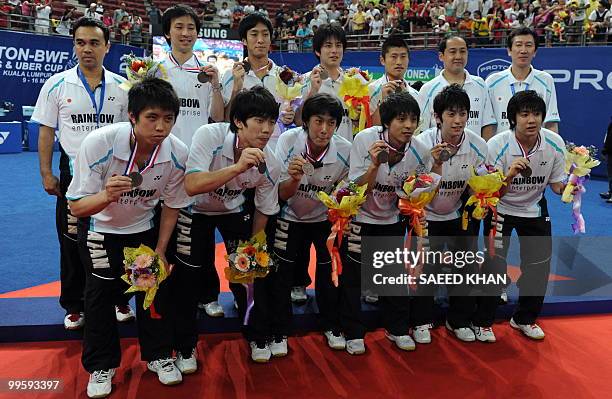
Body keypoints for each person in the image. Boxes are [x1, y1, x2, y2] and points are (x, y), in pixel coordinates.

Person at [67, 78, 191, 398]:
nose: (161, 127)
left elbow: (172, 206)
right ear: (132, 117)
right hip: (100, 230)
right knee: (100, 297)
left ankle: (159, 355)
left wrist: (162, 249)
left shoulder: (177, 152)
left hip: (142, 231)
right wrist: (107, 196)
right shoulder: (99, 144)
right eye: (152, 117)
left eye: (168, 118)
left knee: (151, 292)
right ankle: (101, 366)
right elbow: (77, 207)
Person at [31, 17, 134, 332]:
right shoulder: (57, 84)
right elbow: (47, 133)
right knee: (71, 239)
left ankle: (119, 299)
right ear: (74, 45)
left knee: (117, 238)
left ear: (107, 47)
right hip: (73, 172)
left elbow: (133, 132)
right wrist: (47, 174)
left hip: (113, 174)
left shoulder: (122, 86)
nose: (86, 49)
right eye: (80, 42)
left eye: (94, 42)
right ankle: (75, 306)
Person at [172, 86, 281, 364]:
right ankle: (185, 345)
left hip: (233, 210)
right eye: (259, 121)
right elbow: (192, 184)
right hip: (193, 209)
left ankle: (258, 334)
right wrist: (237, 168)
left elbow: (263, 211)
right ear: (238, 122)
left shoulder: (272, 162)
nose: (267, 130)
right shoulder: (210, 135)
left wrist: (253, 248)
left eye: (271, 122)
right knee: (187, 278)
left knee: (251, 270)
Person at [343, 92, 441, 355]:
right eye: (401, 119)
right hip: (360, 216)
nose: (408, 125)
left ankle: (396, 328)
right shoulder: (365, 140)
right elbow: (355, 188)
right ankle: (353, 331)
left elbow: (422, 188)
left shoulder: (420, 151)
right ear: (386, 122)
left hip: (393, 218)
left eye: (413, 119)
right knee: (352, 279)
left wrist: (416, 193)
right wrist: (375, 166)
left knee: (394, 276)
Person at [483, 90, 568, 340]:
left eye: (537, 114)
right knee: (493, 264)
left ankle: (525, 318)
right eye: (524, 114)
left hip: (534, 208)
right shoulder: (497, 145)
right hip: (500, 208)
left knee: (538, 266)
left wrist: (572, 186)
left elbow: (556, 185)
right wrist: (509, 176)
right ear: (512, 118)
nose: (531, 120)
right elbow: (491, 192)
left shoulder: (554, 143)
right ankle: (484, 321)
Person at [414, 84, 492, 343]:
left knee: (465, 265)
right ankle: (422, 320)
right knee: (427, 268)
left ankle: (458, 319)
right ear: (438, 117)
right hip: (425, 215)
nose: (458, 120)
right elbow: (415, 191)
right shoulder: (422, 144)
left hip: (459, 213)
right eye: (451, 114)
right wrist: (435, 164)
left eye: (463, 114)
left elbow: (478, 184)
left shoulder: (479, 145)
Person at [273, 93, 351, 352]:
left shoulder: (345, 151)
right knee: (281, 274)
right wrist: (294, 178)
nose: (324, 129)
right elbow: (281, 194)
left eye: (331, 123)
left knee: (330, 273)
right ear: (305, 121)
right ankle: (279, 331)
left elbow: (344, 191)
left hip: (323, 218)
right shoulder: (287, 141)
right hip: (289, 215)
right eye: (318, 121)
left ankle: (332, 324)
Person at [221, 12, 295, 152]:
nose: (260, 40)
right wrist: (237, 88)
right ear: (244, 40)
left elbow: (295, 118)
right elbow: (226, 120)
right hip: (241, 153)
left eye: (265, 35)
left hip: (277, 153)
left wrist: (290, 116)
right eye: (254, 34)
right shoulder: (231, 75)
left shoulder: (285, 76)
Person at [159, 5, 224, 149]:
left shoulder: (208, 72)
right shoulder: (155, 70)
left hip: (197, 150)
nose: (185, 33)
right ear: (167, 32)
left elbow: (218, 117)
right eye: (179, 27)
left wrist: (215, 85)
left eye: (190, 28)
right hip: (161, 150)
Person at [485, 27, 560, 138]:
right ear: (509, 50)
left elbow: (551, 123)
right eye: (519, 45)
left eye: (528, 45)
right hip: (501, 150)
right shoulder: (492, 82)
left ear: (535, 51)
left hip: (536, 150)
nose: (523, 50)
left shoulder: (546, 80)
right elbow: (488, 124)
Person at [418, 36, 496, 138]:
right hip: (440, 152)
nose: (458, 56)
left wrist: (483, 152)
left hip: (474, 153)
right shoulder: (428, 89)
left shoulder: (480, 84)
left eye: (463, 51)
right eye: (453, 52)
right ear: (441, 56)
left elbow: (487, 124)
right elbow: (422, 130)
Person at [298, 23, 353, 142]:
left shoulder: (354, 82)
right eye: (328, 46)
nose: (334, 51)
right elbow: (298, 121)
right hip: (315, 154)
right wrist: (313, 91)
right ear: (318, 51)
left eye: (338, 45)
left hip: (347, 155)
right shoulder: (304, 81)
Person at [369, 35, 420, 143]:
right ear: (382, 60)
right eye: (394, 56)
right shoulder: (371, 90)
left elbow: (417, 131)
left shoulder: (415, 95)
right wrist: (384, 102)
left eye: (403, 56)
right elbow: (371, 129)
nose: (399, 62)